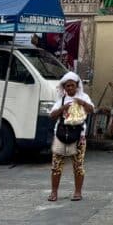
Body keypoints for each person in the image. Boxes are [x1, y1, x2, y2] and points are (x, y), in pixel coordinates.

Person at [47, 71, 94, 202]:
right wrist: (63, 108)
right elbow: (52, 115)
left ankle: (78, 192)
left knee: (78, 165)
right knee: (56, 165)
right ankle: (54, 192)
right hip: (61, 134)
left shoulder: (84, 97)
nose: (70, 88)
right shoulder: (61, 100)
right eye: (67, 86)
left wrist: (82, 103)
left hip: (79, 135)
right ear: (64, 87)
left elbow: (92, 110)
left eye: (72, 85)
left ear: (77, 86)